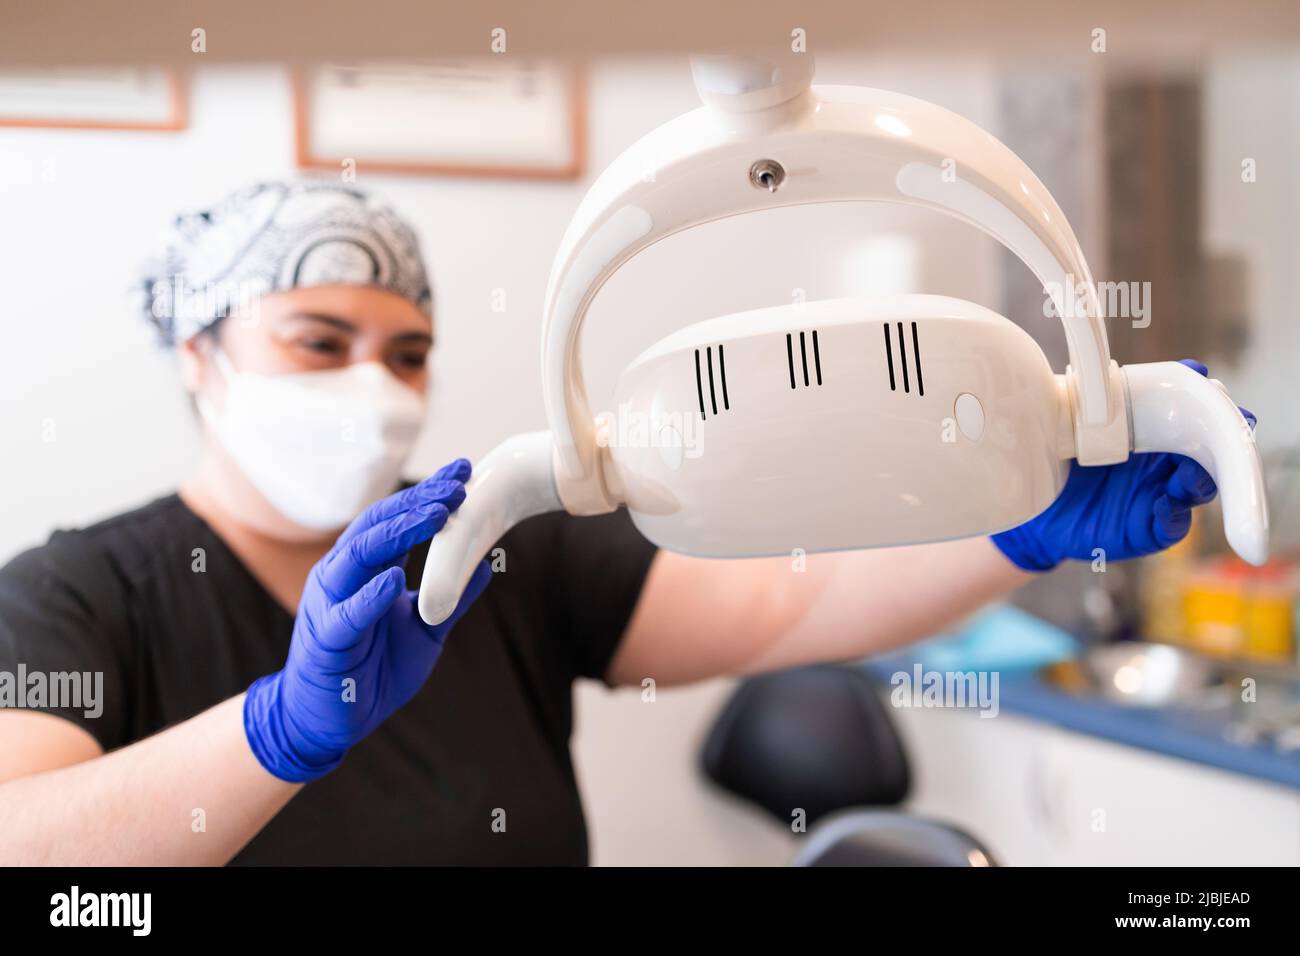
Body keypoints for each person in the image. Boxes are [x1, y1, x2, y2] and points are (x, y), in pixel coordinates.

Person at [0, 180, 1232, 865]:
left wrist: (1015, 523)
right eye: (321, 342)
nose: (375, 383)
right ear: (201, 355)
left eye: (409, 350)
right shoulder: (80, 590)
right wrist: (272, 731)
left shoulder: (490, 552)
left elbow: (781, 599)